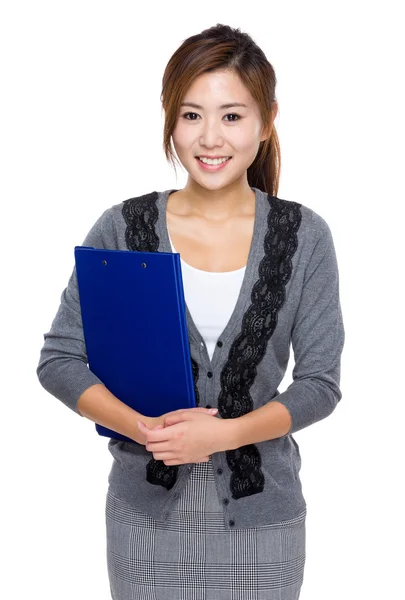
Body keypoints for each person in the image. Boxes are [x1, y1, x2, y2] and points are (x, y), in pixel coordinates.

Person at [36, 23, 345, 600]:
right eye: (191, 114)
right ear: (170, 118)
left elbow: (319, 385)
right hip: (145, 521)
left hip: (263, 520)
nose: (210, 137)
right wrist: (148, 431)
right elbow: (60, 360)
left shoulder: (303, 236)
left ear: (267, 119)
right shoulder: (123, 228)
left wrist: (225, 434)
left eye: (232, 115)